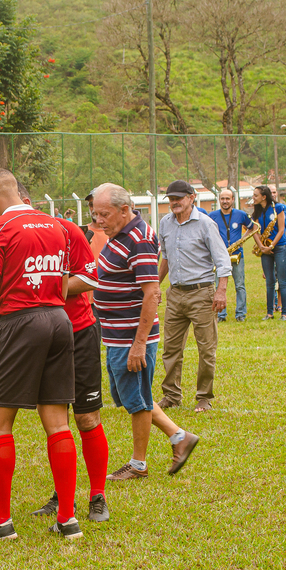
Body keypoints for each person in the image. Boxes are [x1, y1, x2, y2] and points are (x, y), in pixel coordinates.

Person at [0, 168, 83, 541]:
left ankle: (0, 522)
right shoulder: (57, 225)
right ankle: (68, 519)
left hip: (20, 324)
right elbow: (65, 284)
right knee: (57, 422)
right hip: (60, 321)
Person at [73, 184, 198, 483]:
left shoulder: (138, 240)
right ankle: (180, 436)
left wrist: (138, 344)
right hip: (116, 334)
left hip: (130, 336)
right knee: (130, 395)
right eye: (95, 214)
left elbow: (152, 292)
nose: (98, 220)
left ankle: (139, 463)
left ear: (124, 210)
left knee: (136, 399)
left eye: (104, 214)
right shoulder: (119, 235)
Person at [21, 183, 110, 524]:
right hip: (41, 338)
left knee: (87, 418)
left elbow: (90, 278)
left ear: (28, 203)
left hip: (78, 332)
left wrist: (51, 286)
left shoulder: (67, 230)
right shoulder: (8, 235)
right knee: (55, 424)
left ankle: (98, 495)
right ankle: (64, 497)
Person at [156, 180, 232, 413]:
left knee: (206, 349)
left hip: (202, 293)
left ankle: (203, 397)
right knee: (170, 348)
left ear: (192, 198)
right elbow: (166, 258)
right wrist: (156, 286)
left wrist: (221, 291)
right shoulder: (165, 223)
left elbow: (222, 261)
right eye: (170, 198)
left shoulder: (206, 224)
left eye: (178, 198)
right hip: (175, 294)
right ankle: (171, 395)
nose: (174, 202)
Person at [210, 189, 253, 322]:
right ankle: (221, 315)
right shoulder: (212, 216)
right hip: (220, 257)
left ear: (233, 200)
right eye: (222, 198)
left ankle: (240, 314)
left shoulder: (240, 214)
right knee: (219, 287)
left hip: (236, 255)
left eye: (228, 198)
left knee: (240, 285)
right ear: (219, 200)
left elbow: (252, 228)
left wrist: (242, 241)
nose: (225, 201)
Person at [251, 186, 286, 321]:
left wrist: (272, 245)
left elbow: (281, 230)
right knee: (269, 281)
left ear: (264, 197)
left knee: (282, 281)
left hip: (279, 246)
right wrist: (261, 246)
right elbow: (254, 230)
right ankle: (269, 312)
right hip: (265, 248)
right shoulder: (257, 211)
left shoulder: (278, 208)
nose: (253, 198)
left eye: (256, 195)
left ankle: (284, 313)